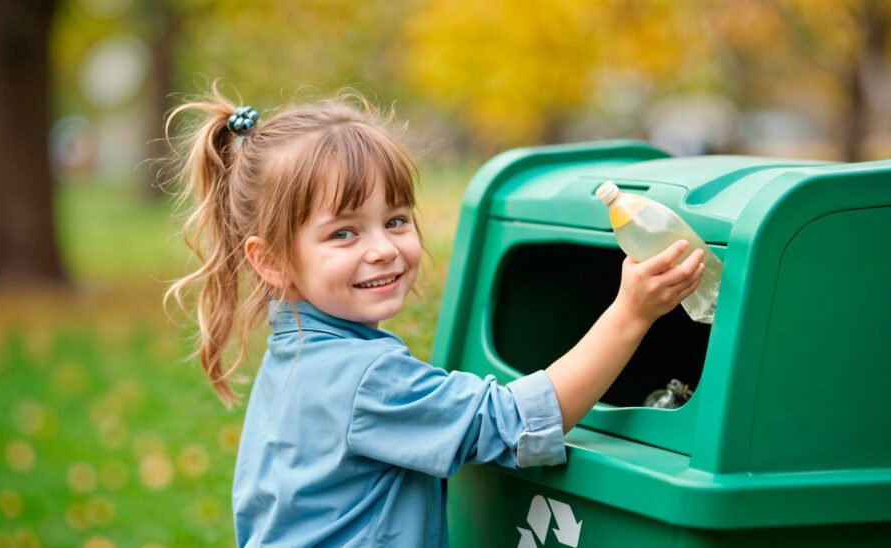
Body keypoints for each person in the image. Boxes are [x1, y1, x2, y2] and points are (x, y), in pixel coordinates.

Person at [164, 84, 705, 547]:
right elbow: (515, 424)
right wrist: (632, 312)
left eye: (395, 220)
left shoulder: (299, 352)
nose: (383, 248)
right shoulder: (364, 377)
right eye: (344, 232)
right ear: (272, 261)